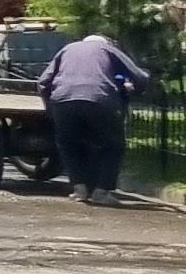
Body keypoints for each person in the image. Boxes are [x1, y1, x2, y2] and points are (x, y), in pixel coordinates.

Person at [43, 28, 150, 202]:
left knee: (68, 144)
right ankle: (102, 191)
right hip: (99, 99)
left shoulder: (67, 49)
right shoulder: (107, 49)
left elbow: (43, 82)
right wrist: (136, 91)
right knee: (113, 145)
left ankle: (79, 190)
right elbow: (139, 76)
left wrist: (50, 108)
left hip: (63, 100)